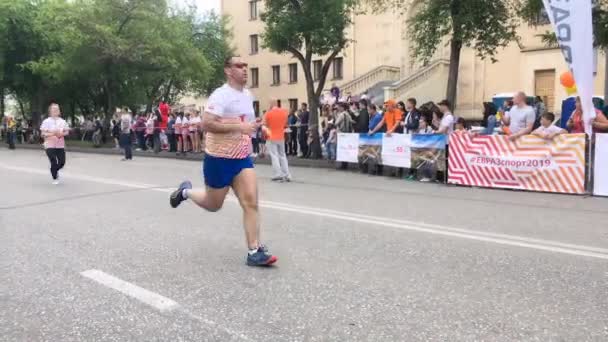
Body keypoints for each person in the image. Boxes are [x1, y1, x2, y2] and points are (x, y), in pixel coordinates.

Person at [169, 55, 277, 267]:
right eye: (239, 65)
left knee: (251, 202)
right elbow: (207, 124)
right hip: (218, 158)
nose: (245, 69)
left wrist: (259, 128)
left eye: (246, 65)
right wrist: (239, 128)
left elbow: (245, 123)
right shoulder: (220, 95)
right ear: (228, 71)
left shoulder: (247, 94)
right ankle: (185, 192)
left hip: (242, 158)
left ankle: (254, 251)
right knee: (213, 204)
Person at [40, 103, 70, 185]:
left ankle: (54, 170)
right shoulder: (46, 121)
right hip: (49, 144)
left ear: (59, 111)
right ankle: (55, 177)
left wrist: (62, 134)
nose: (56, 110)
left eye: (57, 109)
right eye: (54, 109)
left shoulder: (63, 121)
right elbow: (42, 134)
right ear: (50, 111)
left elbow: (67, 132)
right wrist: (53, 133)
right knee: (53, 160)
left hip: (60, 145)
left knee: (61, 163)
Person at [265, 100, 292, 182]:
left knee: (274, 155)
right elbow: (285, 124)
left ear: (271, 104)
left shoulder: (268, 113)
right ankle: (287, 174)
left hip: (272, 136)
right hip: (281, 136)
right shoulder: (284, 112)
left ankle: (278, 174)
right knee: (282, 155)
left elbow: (266, 125)